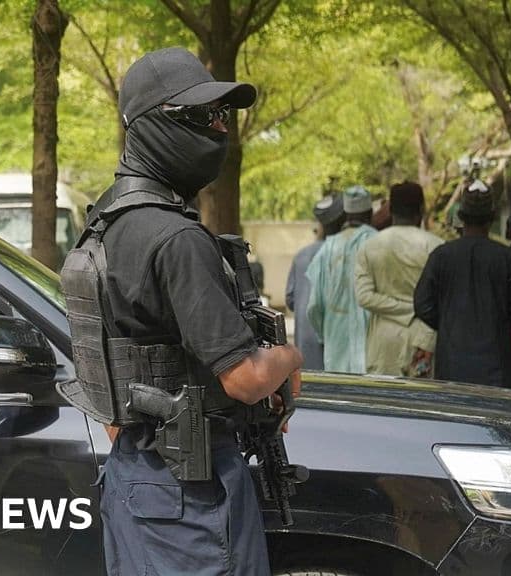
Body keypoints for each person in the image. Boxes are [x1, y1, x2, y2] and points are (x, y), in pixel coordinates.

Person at [70, 47, 303, 576]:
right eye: (201, 116)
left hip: (136, 478)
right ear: (150, 126)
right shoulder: (177, 238)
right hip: (190, 498)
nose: (219, 128)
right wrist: (290, 356)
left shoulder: (104, 224)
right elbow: (245, 379)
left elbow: (107, 373)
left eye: (223, 115)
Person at [414, 185, 511, 387]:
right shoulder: (506, 257)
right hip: (496, 363)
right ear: (492, 217)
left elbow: (422, 304)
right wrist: (498, 323)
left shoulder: (441, 256)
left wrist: (447, 323)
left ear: (461, 215)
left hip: (451, 362)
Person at [355, 181, 443, 376]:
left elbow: (364, 297)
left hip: (383, 344)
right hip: (423, 341)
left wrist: (404, 308)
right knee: (421, 402)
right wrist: (415, 309)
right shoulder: (437, 247)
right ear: (421, 209)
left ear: (391, 210)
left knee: (383, 402)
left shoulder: (370, 246)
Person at [306, 186, 378, 373]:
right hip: (373, 350)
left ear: (345, 214)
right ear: (370, 213)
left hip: (336, 348)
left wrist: (324, 335)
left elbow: (314, 306)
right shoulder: (380, 243)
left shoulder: (327, 250)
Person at [286, 194, 345, 370]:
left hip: (306, 348)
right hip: (336, 349)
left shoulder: (302, 255)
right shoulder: (345, 254)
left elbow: (290, 299)